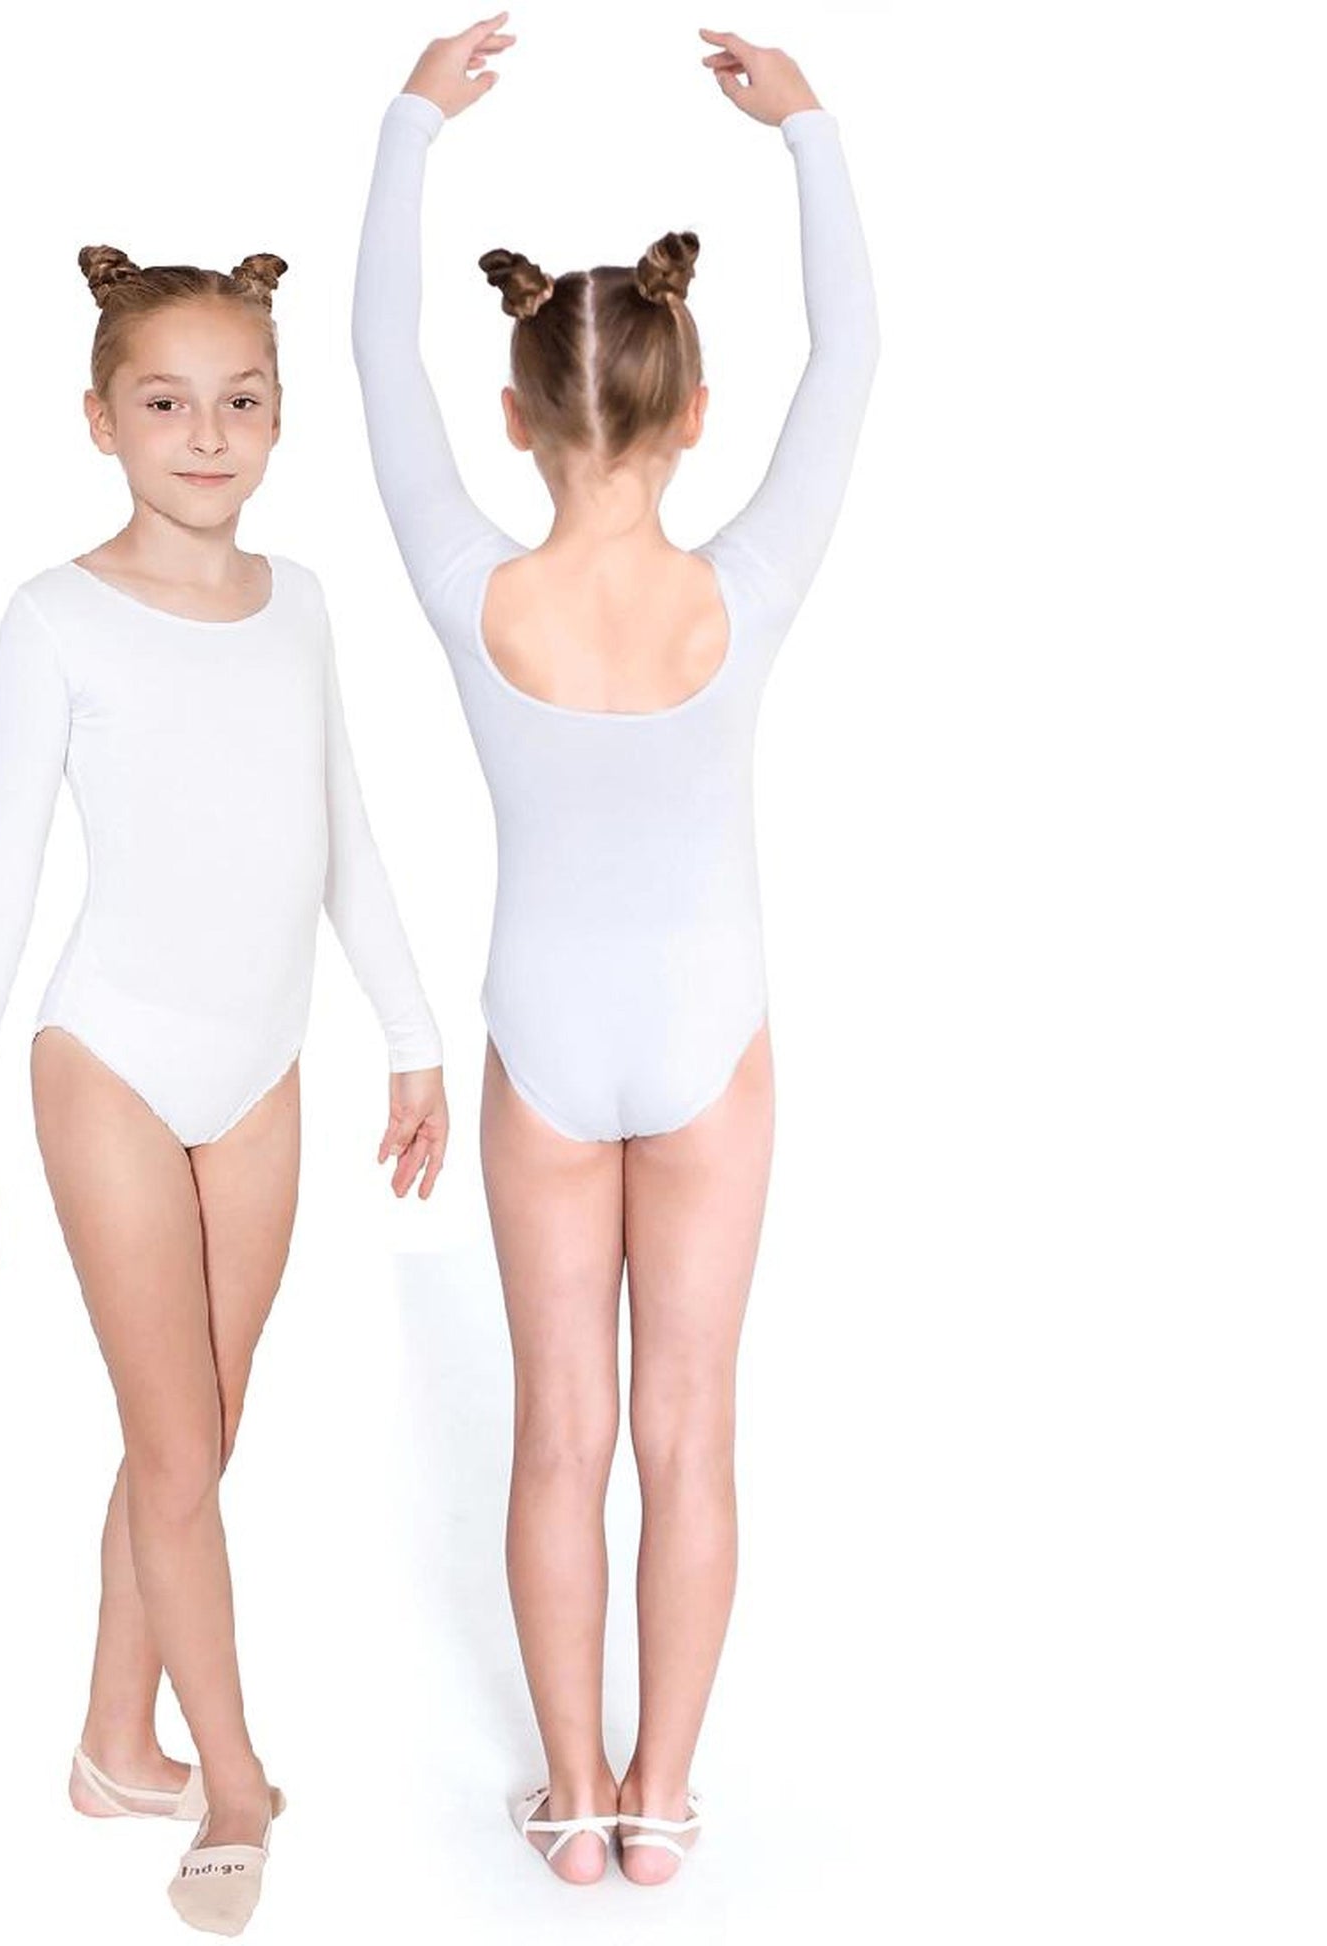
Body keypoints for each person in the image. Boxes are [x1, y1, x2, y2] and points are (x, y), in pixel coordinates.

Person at [351, 15, 879, 1887]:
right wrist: (806, 131)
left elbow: (374, 362)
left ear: (515, 417)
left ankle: (571, 1798)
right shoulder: (746, 585)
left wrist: (409, 126)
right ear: (692, 412)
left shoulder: (466, 584)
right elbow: (851, 359)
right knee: (688, 1432)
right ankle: (662, 1799)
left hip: (545, 1045)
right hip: (709, 1033)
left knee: (557, 1431)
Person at [0, 244, 450, 1935]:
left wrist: (414, 1034)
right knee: (173, 1444)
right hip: (113, 1060)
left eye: (240, 401)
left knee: (197, 1434)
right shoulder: (53, 616)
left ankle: (109, 1741)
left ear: (278, 418)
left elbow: (340, 827)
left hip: (264, 1066)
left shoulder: (301, 602)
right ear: (99, 419)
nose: (205, 435)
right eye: (165, 403)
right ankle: (227, 1780)